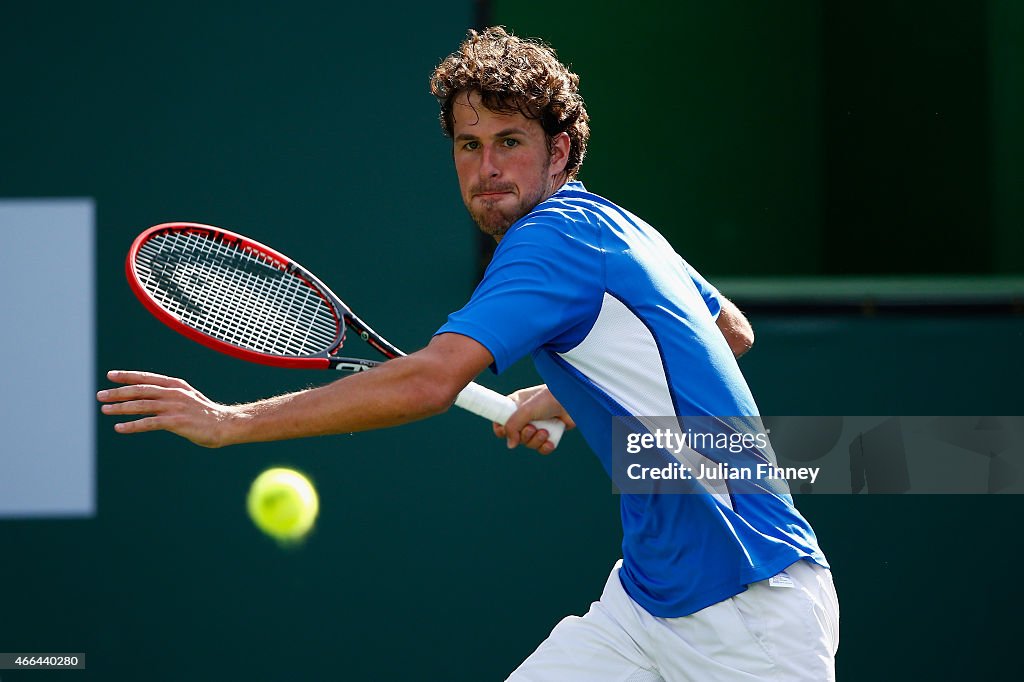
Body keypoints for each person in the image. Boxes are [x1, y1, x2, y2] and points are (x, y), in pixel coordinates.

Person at [98, 26, 838, 681]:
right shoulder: (616, 227)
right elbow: (732, 329)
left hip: (747, 613)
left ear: (561, 150)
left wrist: (230, 422)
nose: (487, 168)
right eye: (468, 144)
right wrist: (566, 396)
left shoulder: (549, 241)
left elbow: (427, 381)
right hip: (648, 605)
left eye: (509, 142)